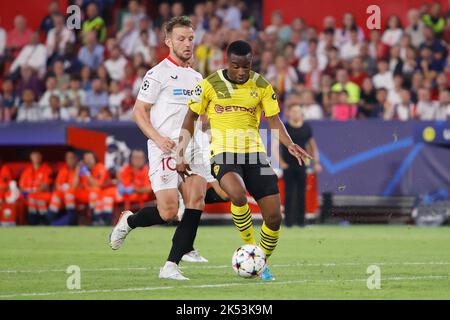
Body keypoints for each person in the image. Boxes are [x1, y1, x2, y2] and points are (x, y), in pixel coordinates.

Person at [176, 40, 312, 281]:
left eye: (246, 67)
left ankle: (261, 261)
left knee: (273, 218)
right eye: (236, 66)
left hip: (256, 155)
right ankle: (250, 249)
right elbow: (190, 118)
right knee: (238, 195)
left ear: (251, 63)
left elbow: (273, 120)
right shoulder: (208, 85)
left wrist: (289, 144)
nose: (241, 72)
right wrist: (181, 152)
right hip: (223, 154)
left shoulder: (261, 85)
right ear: (227, 62)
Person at [109, 16, 219, 280]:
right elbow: (139, 112)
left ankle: (171, 265)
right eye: (181, 39)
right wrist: (158, 139)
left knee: (197, 201)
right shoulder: (156, 74)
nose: (187, 43)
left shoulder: (196, 77)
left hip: (190, 147)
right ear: (168, 41)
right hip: (165, 149)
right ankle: (129, 221)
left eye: (191, 38)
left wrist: (208, 133)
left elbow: (198, 116)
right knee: (168, 212)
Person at [278, 105, 321, 227]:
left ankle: (301, 221)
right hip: (288, 165)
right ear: (289, 113)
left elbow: (312, 146)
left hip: (302, 165)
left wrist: (316, 162)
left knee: (302, 193)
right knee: (289, 193)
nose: (296, 113)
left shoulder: (306, 128)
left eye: (298, 111)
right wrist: (281, 163)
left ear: (301, 114)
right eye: (293, 111)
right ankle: (288, 222)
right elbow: (276, 146)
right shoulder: (285, 128)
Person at [19, 151, 53, 225]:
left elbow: (46, 185)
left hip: (41, 196)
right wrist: (28, 193)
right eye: (34, 156)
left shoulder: (46, 169)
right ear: (31, 158)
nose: (36, 158)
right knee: (21, 198)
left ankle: (43, 222)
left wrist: (33, 192)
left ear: (41, 158)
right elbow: (21, 187)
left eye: (38, 156)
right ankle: (26, 223)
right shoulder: (27, 170)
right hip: (28, 196)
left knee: (36, 199)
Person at [48, 150, 80, 225]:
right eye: (68, 158)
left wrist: (77, 171)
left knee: (69, 194)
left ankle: (70, 221)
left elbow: (74, 186)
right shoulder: (63, 170)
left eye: (72, 158)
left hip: (76, 199)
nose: (70, 160)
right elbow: (58, 185)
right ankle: (50, 220)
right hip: (63, 199)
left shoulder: (80, 170)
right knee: (56, 195)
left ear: (76, 159)